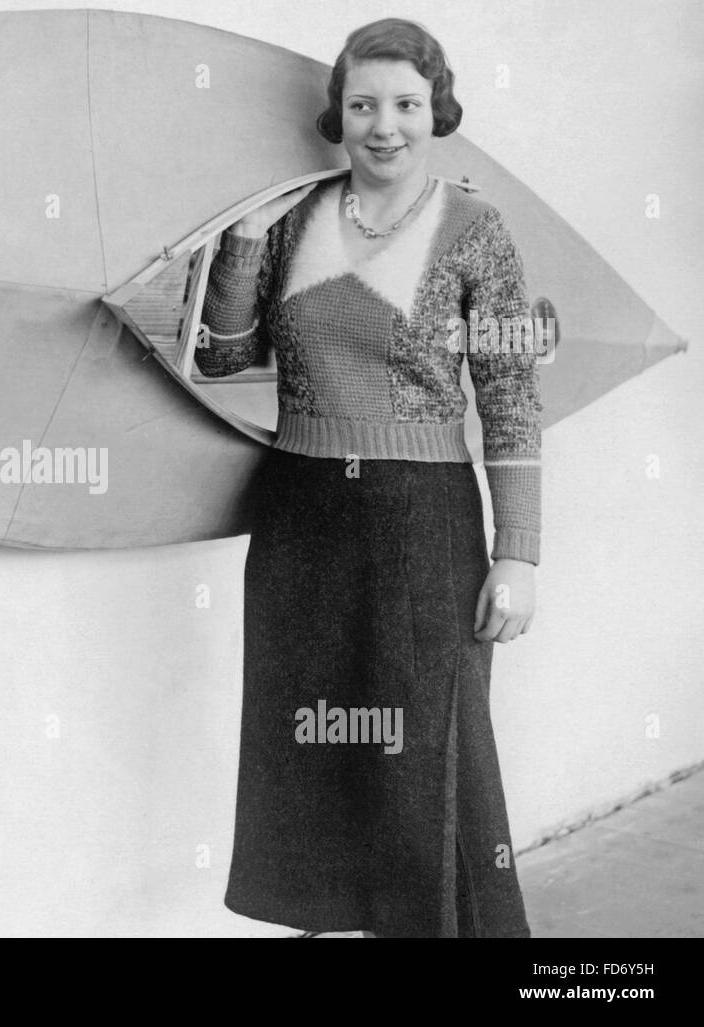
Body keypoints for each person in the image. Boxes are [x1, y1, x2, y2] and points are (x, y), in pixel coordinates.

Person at [196, 17, 539, 938]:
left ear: (438, 112)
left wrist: (521, 553)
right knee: (315, 752)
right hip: (300, 517)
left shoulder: (477, 229)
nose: (383, 125)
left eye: (405, 104)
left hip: (423, 522)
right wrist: (239, 249)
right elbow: (224, 358)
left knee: (428, 755)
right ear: (336, 114)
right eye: (362, 104)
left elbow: (509, 396)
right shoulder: (296, 214)